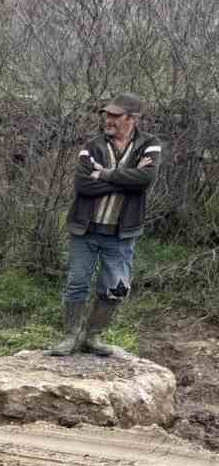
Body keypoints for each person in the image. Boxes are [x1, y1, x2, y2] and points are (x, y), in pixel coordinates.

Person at [48, 93, 162, 358]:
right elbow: (83, 185)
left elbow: (144, 181)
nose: (108, 120)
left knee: (116, 287)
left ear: (132, 119)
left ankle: (93, 336)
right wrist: (125, 181)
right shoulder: (93, 145)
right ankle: (71, 336)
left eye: (115, 116)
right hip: (85, 229)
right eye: (107, 115)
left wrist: (105, 173)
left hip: (121, 233)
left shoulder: (150, 145)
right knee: (77, 282)